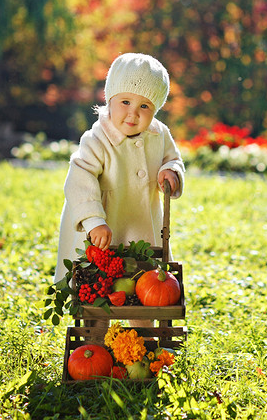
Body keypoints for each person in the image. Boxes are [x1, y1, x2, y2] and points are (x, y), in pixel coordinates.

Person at [54, 52, 185, 337]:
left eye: (145, 106)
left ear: (156, 110)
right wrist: (92, 220)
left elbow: (173, 158)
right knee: (98, 287)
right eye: (125, 102)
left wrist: (171, 172)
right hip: (103, 230)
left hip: (141, 228)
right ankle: (95, 340)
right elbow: (79, 178)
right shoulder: (97, 138)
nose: (133, 113)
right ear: (109, 98)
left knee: (144, 284)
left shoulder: (159, 134)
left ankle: (145, 341)